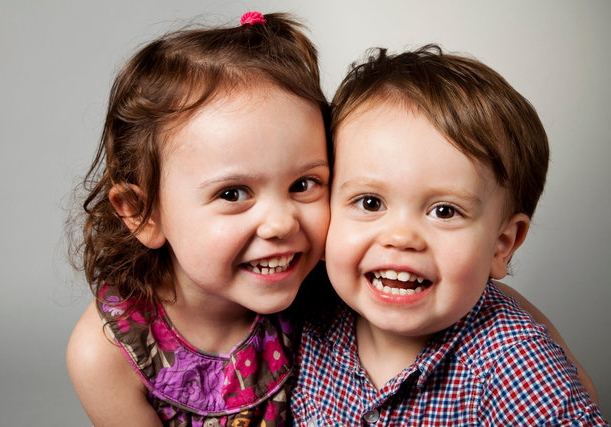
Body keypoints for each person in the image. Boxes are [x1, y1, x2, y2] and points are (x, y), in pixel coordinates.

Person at [291, 45, 608, 425]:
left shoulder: (517, 370)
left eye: (444, 211)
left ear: (501, 245)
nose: (401, 237)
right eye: (370, 203)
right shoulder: (304, 309)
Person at [66, 12, 331, 426]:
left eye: (304, 184)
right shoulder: (104, 355)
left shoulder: (335, 291)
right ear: (144, 214)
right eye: (232, 193)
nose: (281, 223)